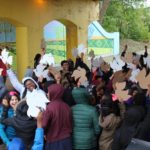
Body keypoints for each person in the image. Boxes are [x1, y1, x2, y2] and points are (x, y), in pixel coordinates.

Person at [42, 84, 72, 150]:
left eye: (48, 92)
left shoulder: (49, 107)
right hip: (67, 141)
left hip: (54, 141)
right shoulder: (67, 106)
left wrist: (44, 133)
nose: (47, 94)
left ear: (54, 93)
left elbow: (44, 124)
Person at [71, 85, 100, 150]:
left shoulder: (71, 109)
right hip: (89, 142)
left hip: (76, 141)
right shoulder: (92, 110)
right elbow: (97, 130)